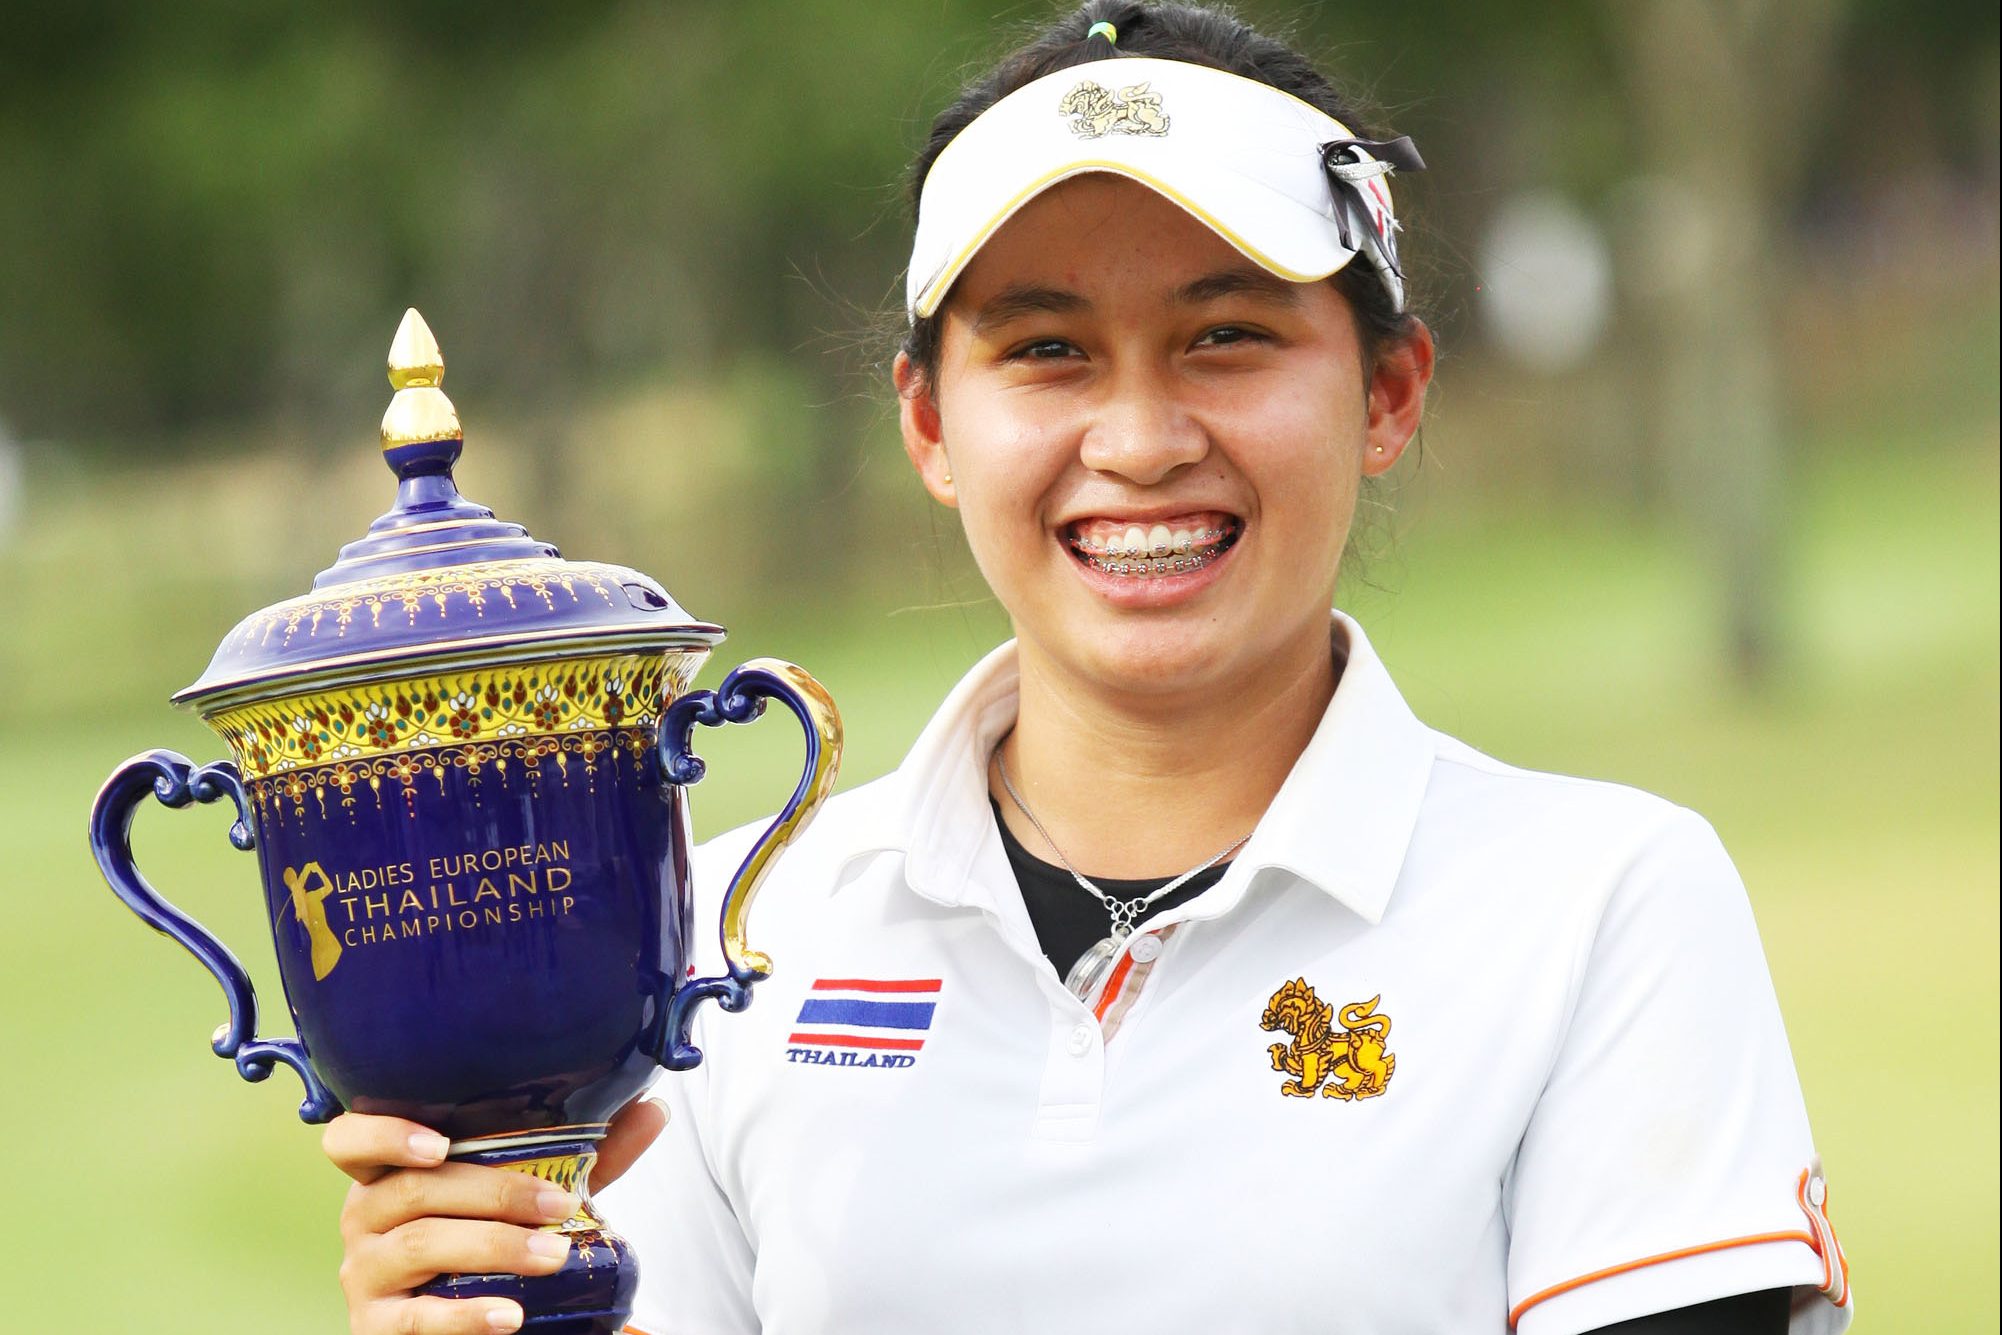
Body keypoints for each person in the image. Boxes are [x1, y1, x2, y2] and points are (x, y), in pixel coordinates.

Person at [323, 6, 1851, 1333]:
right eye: (1046, 351)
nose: (1136, 443)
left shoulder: (1597, 906)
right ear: (929, 426)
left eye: (1228, 336)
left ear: (1386, 393)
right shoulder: (727, 942)